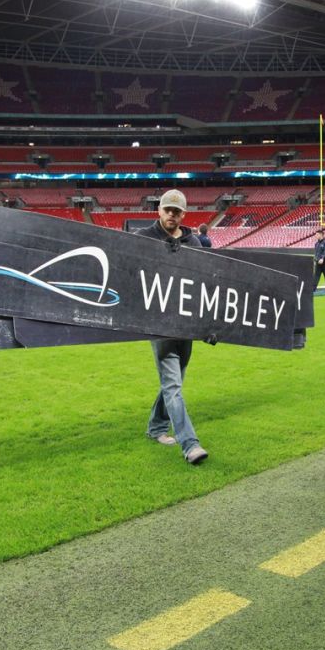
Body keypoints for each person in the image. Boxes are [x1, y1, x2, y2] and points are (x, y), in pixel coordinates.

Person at [135, 189, 208, 465]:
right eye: (167, 209)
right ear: (159, 210)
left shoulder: (194, 243)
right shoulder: (143, 239)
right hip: (159, 324)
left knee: (174, 381)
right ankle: (190, 444)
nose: (171, 215)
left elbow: (205, 284)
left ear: (183, 215)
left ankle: (155, 427)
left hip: (186, 325)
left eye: (176, 211)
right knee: (174, 385)